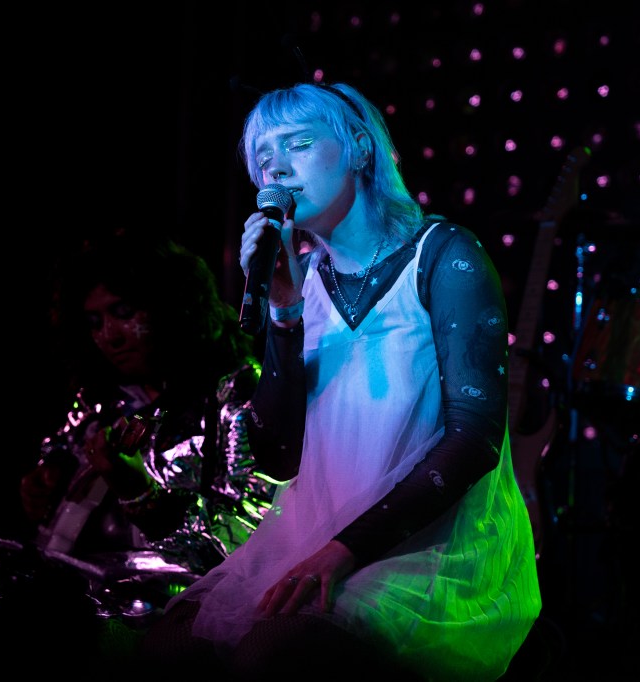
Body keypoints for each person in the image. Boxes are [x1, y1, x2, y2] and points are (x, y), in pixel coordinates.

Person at [136, 82, 542, 681]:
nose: (276, 168)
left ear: (359, 147)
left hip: (423, 548)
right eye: (263, 157)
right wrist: (283, 313)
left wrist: (345, 550)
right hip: (312, 537)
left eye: (298, 144)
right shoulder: (303, 276)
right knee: (165, 652)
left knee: (268, 657)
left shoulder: (443, 255)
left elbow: (475, 438)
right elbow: (277, 454)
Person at [0, 231, 274, 680]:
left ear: (173, 305)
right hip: (86, 586)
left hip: (174, 599)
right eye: (94, 322)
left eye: (124, 313)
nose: (110, 336)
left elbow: (246, 542)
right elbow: (59, 461)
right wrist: (44, 482)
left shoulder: (235, 391)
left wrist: (139, 494)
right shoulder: (105, 398)